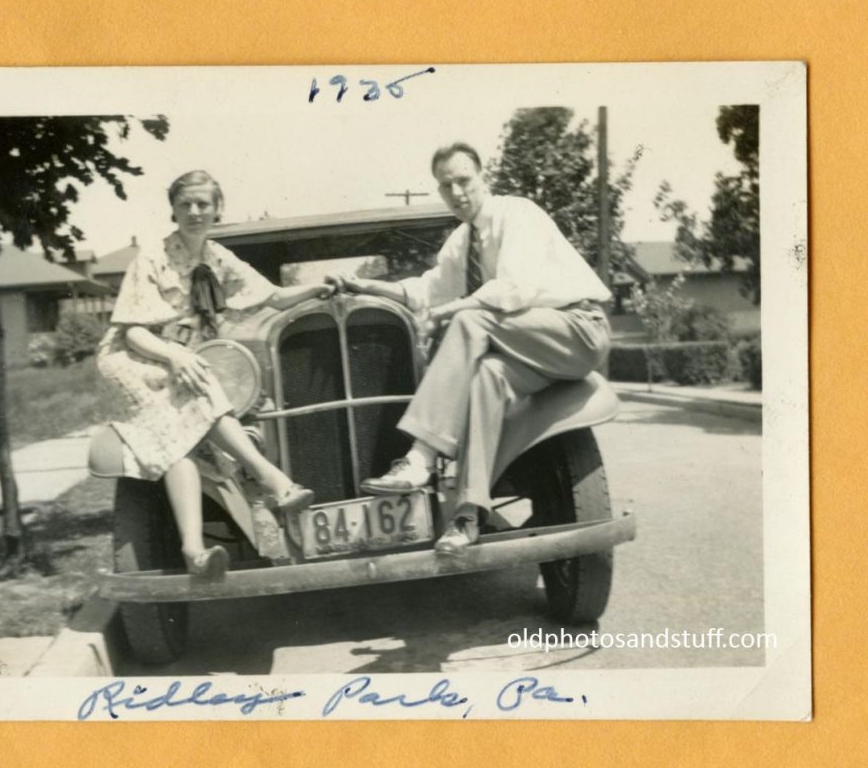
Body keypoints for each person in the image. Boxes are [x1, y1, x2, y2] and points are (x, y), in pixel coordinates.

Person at [327, 142, 612, 557]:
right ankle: (467, 518)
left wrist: (448, 312)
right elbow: (425, 289)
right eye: (446, 186)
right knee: (486, 379)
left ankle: (421, 457)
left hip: (576, 331)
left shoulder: (518, 213)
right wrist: (365, 285)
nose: (457, 192)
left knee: (469, 318)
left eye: (464, 180)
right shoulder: (462, 241)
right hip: (527, 349)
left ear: (484, 177)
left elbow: (512, 290)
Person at [98, 170, 332, 577]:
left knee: (180, 444)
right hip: (136, 357)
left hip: (180, 360)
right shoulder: (152, 257)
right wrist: (174, 357)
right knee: (193, 401)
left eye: (203, 204)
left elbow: (272, 296)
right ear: (172, 209)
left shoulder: (218, 257)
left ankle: (195, 553)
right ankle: (274, 480)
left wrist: (318, 289)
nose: (194, 212)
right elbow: (132, 328)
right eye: (185, 204)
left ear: (217, 209)